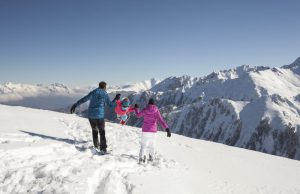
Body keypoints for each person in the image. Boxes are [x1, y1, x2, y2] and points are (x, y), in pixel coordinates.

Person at [70, 81, 120, 153]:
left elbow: (84, 99)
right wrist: (116, 98)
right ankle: (103, 149)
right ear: (105, 87)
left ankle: (96, 145)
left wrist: (75, 104)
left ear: (99, 86)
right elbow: (110, 105)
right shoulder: (104, 93)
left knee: (95, 130)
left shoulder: (93, 92)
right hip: (99, 116)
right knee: (102, 132)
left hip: (91, 116)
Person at [134, 98, 171, 163]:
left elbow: (138, 115)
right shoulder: (156, 111)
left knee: (143, 145)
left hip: (145, 130)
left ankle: (141, 158)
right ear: (154, 104)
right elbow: (161, 120)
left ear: (148, 103)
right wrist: (167, 129)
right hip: (153, 131)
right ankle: (151, 157)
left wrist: (136, 108)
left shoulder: (145, 110)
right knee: (152, 145)